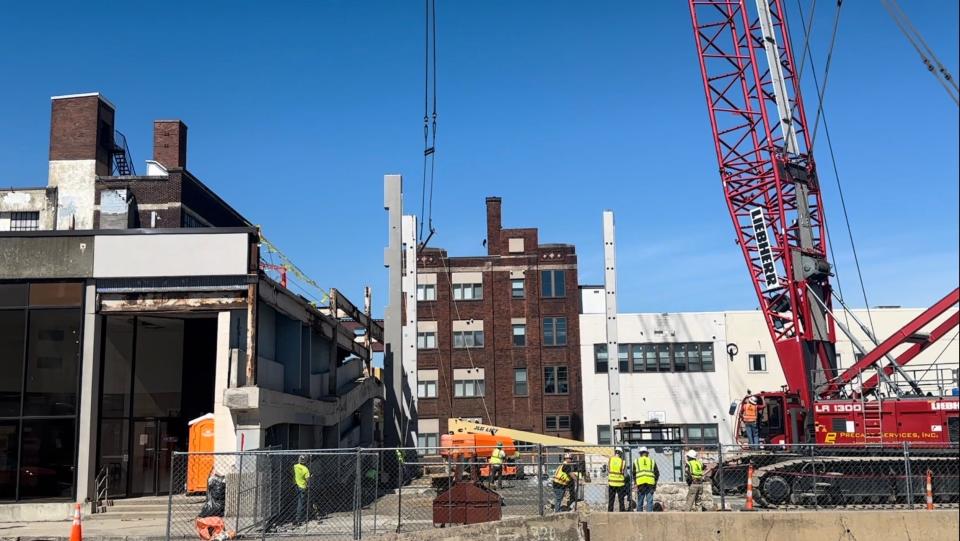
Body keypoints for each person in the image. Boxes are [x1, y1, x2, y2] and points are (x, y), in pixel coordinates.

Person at [633, 446, 659, 512]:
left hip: (640, 483)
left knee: (640, 500)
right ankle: (649, 517)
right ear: (647, 453)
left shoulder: (636, 461)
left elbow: (634, 473)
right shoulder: (652, 461)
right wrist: (654, 483)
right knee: (649, 501)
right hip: (650, 483)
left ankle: (639, 516)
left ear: (640, 453)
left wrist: (635, 483)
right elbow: (657, 473)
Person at [607, 448, 628, 512]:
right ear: (621, 453)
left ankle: (610, 512)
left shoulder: (610, 460)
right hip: (620, 483)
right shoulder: (623, 462)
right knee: (621, 499)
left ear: (615, 452)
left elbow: (608, 470)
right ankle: (622, 512)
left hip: (611, 483)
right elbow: (625, 474)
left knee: (611, 499)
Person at [293, 455, 311, 525]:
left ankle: (296, 516)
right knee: (301, 503)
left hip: (296, 485)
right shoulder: (305, 469)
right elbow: (308, 479)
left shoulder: (295, 466)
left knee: (297, 501)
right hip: (303, 487)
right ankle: (298, 518)